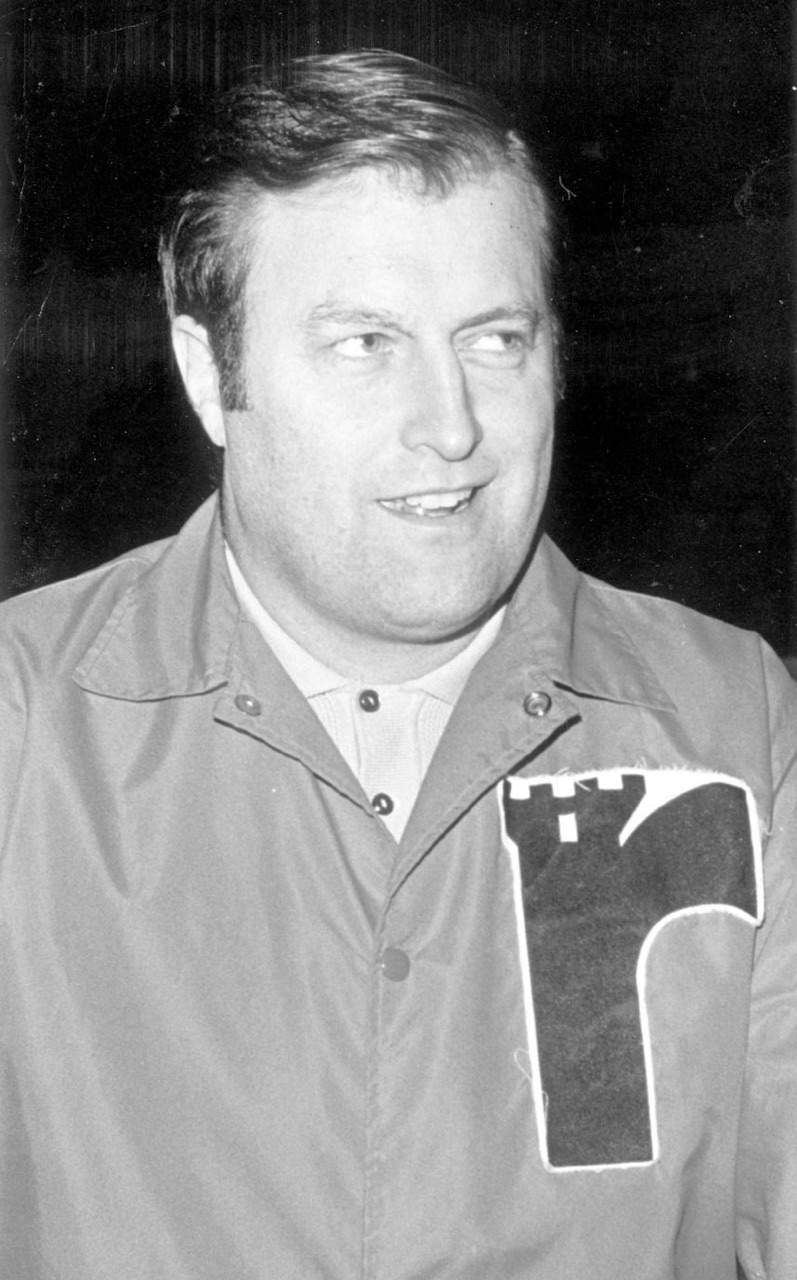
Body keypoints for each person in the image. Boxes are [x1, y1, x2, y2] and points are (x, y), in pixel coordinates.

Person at [0, 50, 794, 1280]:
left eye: (495, 338)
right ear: (210, 374)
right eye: (364, 342)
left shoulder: (729, 721)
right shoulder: (25, 722)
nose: (451, 424)